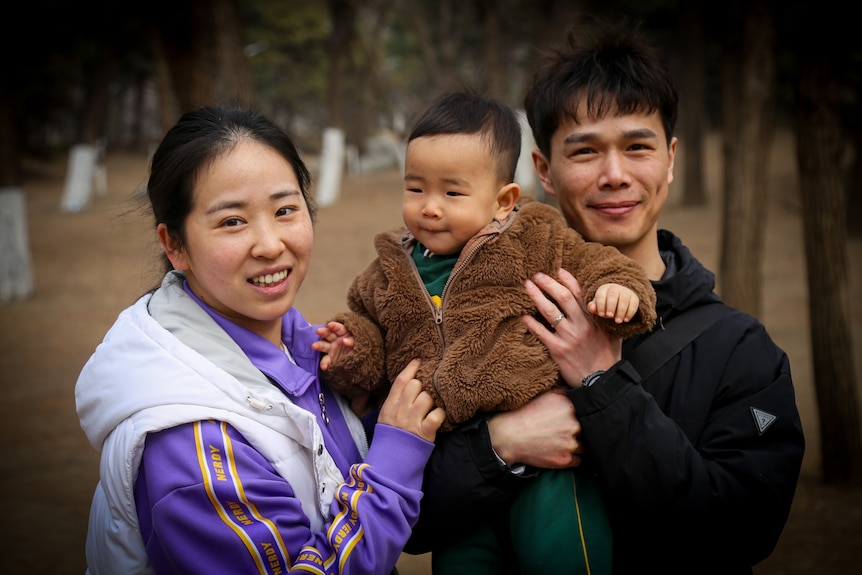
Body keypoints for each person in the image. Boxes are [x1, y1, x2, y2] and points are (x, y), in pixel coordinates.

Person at [406, 22, 806, 575]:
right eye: (586, 151)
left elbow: (741, 530)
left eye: (637, 147)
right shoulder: (473, 310)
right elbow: (409, 520)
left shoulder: (740, 351)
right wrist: (499, 446)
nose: (614, 175)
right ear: (544, 171)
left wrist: (602, 384)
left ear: (670, 158)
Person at [75, 105, 445, 575]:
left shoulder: (307, 349)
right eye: (232, 221)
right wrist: (397, 453)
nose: (270, 244)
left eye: (285, 210)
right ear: (175, 245)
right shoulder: (191, 446)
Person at [313, 91, 657, 574]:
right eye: (415, 189)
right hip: (460, 474)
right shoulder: (391, 267)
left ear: (503, 201)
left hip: (547, 468)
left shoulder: (534, 236)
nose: (430, 208)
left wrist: (619, 290)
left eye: (452, 193)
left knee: (563, 558)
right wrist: (350, 348)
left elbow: (596, 262)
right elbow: (370, 330)